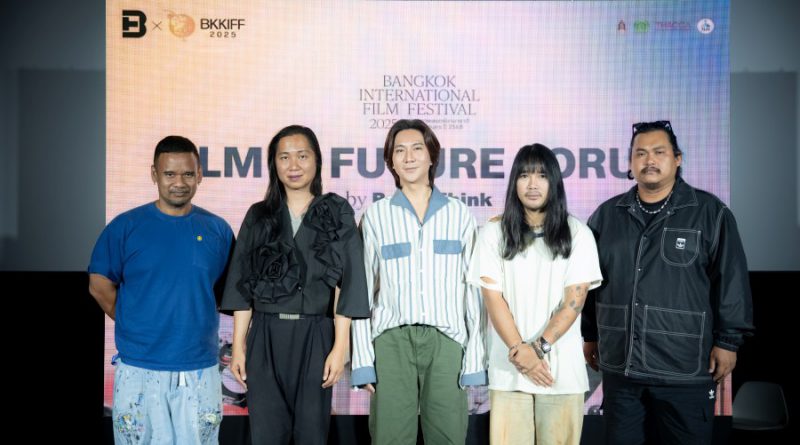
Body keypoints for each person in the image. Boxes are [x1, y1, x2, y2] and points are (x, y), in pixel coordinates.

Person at [582, 120, 755, 444]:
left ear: (677, 159)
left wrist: (728, 341)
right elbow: (590, 284)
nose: (649, 160)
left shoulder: (710, 213)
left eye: (659, 152)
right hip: (622, 369)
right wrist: (589, 334)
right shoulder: (606, 216)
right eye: (640, 153)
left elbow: (731, 281)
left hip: (684, 369)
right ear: (630, 163)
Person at [221, 125, 370, 444]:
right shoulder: (259, 215)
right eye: (284, 157)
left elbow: (347, 283)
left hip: (316, 335)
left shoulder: (336, 211)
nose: (293, 165)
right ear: (273, 164)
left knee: (311, 435)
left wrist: (340, 348)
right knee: (267, 435)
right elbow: (242, 286)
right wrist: (239, 347)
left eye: (302, 156)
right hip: (265, 335)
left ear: (317, 161)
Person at [88, 135, 234, 444]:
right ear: (154, 174)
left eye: (188, 174)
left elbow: (226, 295)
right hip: (138, 369)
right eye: (169, 174)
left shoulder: (218, 230)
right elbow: (99, 286)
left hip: (199, 368)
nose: (179, 182)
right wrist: (134, 321)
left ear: (200, 175)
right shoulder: (126, 227)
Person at [351, 119, 487, 445]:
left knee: (448, 437)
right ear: (390, 161)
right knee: (389, 438)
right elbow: (361, 293)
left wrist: (474, 358)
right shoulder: (376, 216)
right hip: (391, 342)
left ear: (431, 156)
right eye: (400, 150)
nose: (409, 157)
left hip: (447, 342)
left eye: (417, 149)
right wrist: (362, 361)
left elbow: (473, 293)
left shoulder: (459, 214)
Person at [468, 143, 602, 445]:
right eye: (524, 175)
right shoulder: (493, 233)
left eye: (541, 175)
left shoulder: (578, 233)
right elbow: (493, 299)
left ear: (554, 182)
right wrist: (521, 351)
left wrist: (538, 349)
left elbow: (575, 300)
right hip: (509, 370)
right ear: (514, 182)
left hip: (561, 375)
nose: (532, 184)